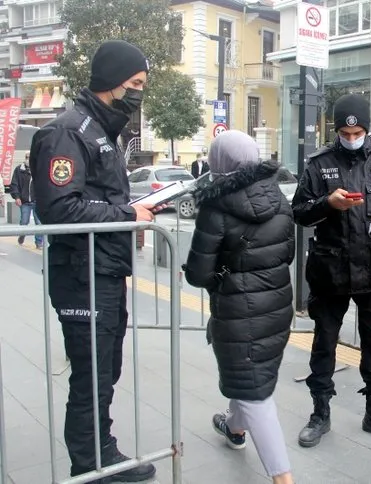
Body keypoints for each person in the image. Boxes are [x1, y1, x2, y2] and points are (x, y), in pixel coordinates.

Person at [30, 40, 158, 482]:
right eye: (136, 84)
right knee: (91, 375)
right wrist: (127, 213)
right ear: (113, 82)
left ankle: (103, 450)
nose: (140, 92)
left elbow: (97, 198)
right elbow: (60, 208)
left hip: (103, 271)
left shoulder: (102, 132)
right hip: (82, 275)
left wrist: (136, 206)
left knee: (106, 370)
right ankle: (89, 466)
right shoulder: (68, 132)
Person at [292, 93, 371, 448]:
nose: (350, 138)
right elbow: (299, 211)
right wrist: (327, 204)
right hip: (330, 270)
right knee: (324, 343)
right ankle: (320, 413)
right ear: (336, 130)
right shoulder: (320, 163)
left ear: (366, 129)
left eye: (357, 132)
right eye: (344, 134)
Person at [184, 131, 295, 484]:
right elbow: (287, 254)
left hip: (238, 314)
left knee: (254, 393)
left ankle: (283, 478)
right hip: (276, 309)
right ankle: (234, 428)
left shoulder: (216, 205)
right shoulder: (278, 197)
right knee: (252, 378)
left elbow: (199, 274)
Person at [9, 153, 42, 249]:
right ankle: (22, 235)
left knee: (39, 223)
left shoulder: (39, 169)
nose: (29, 160)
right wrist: (17, 197)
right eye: (27, 158)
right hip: (25, 201)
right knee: (24, 221)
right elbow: (14, 184)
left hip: (37, 201)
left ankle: (39, 242)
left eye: (30, 158)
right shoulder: (19, 170)